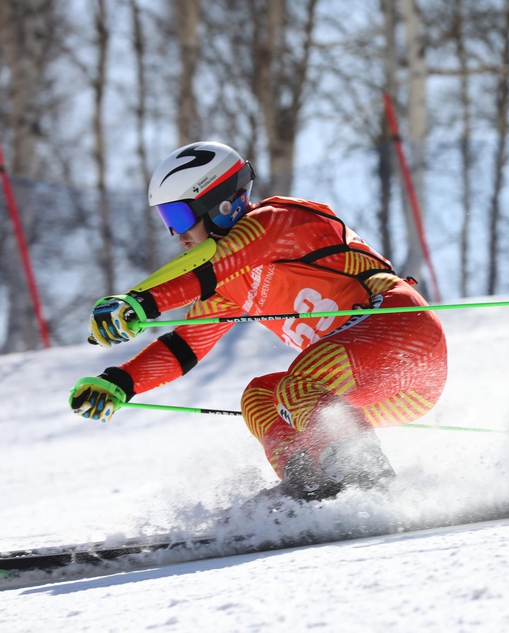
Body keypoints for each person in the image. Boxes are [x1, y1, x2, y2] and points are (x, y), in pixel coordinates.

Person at [70, 141, 448, 501]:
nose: (177, 233)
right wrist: (119, 382)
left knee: (295, 386)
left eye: (179, 216)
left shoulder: (276, 222)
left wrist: (140, 303)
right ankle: (308, 487)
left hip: (405, 334)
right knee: (260, 396)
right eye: (167, 220)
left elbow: (217, 265)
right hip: (386, 392)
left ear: (218, 205)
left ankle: (370, 483)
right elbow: (184, 346)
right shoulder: (229, 284)